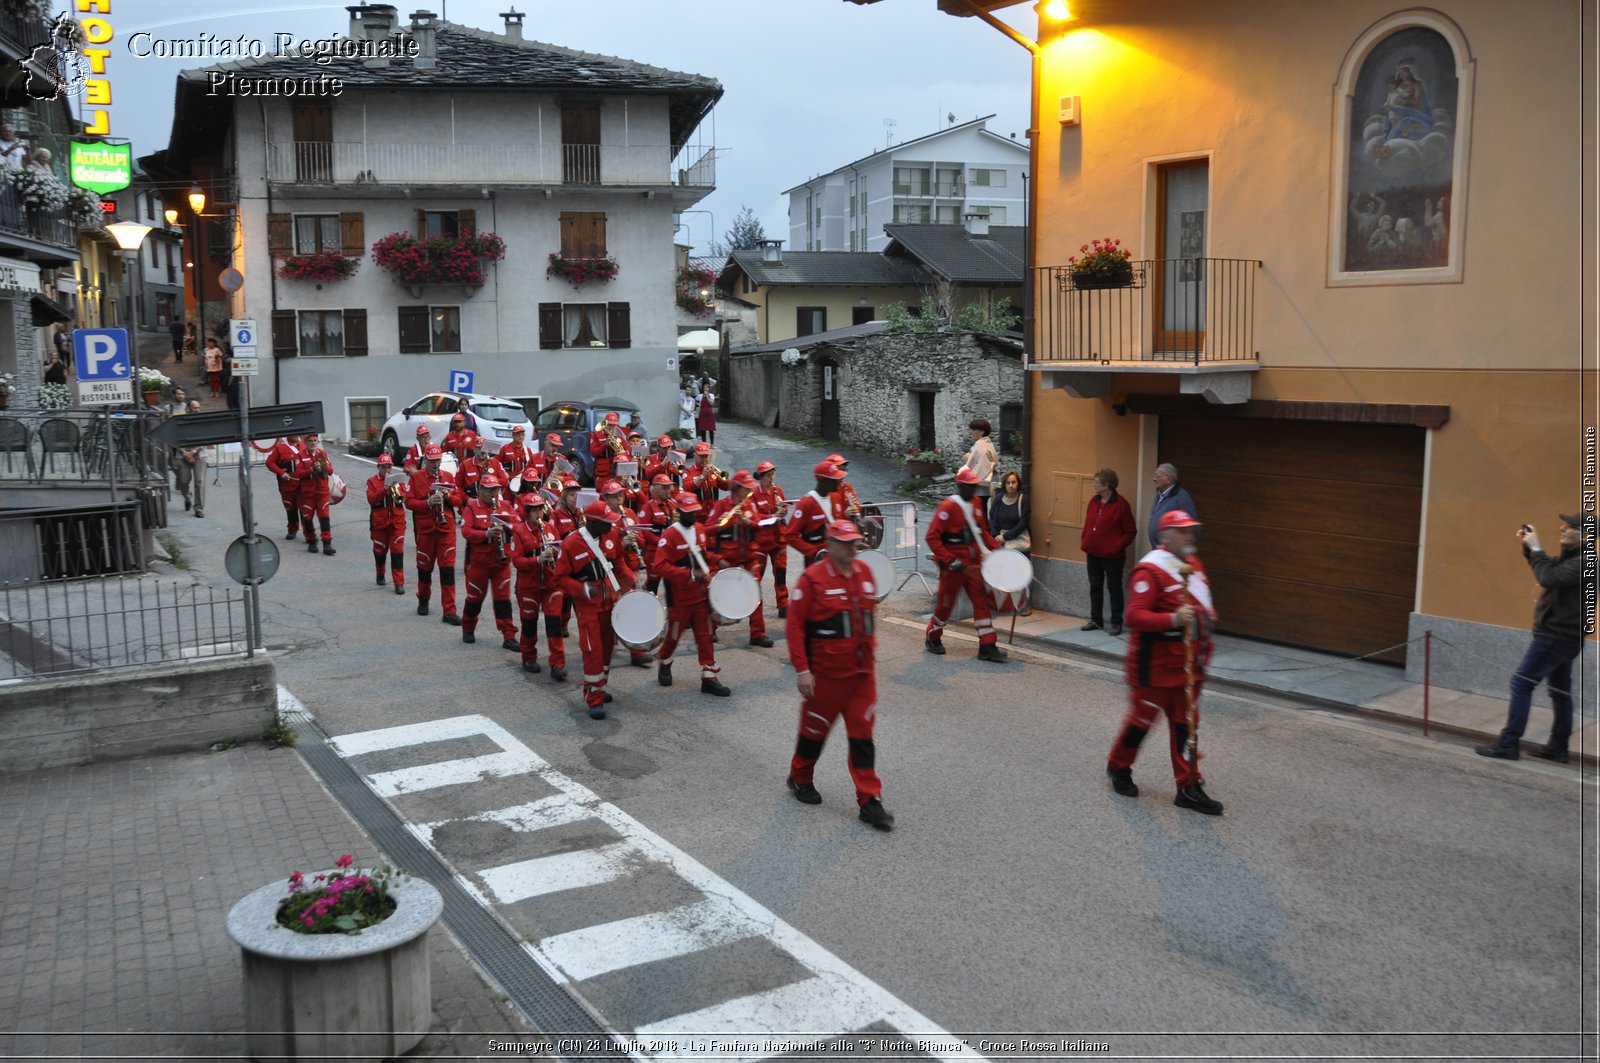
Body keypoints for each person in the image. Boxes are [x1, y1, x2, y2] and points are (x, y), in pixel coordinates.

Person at [1106, 509, 1224, 815]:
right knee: (1140, 724)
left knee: (1186, 728)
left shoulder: (1192, 565)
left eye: (1190, 530)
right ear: (1166, 534)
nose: (1189, 535)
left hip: (1187, 667)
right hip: (1154, 668)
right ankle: (1119, 766)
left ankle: (1188, 786)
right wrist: (1173, 618)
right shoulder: (1150, 571)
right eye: (1182, 531)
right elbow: (1134, 616)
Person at [785, 518, 893, 831]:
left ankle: (869, 800)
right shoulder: (812, 580)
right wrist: (803, 669)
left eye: (855, 542)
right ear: (830, 545)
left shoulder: (866, 573)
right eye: (845, 542)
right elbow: (794, 626)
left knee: (862, 738)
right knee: (813, 736)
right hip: (825, 679)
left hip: (861, 677)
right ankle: (800, 776)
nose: (853, 547)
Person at [1475, 514, 1592, 763]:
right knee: (1560, 691)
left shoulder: (1586, 562)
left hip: (1555, 638)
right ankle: (1558, 748)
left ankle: (1508, 744)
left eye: (1570, 526)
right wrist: (1529, 547)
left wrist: (1536, 546)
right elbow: (1547, 567)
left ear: (1584, 536)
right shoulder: (1573, 560)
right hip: (1564, 638)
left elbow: (1548, 578)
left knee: (1521, 683)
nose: (1562, 528)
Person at [552, 499, 642, 719]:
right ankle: (594, 699)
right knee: (593, 651)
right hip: (588, 608)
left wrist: (630, 580)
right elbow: (560, 579)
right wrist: (582, 589)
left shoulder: (611, 536)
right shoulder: (571, 544)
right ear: (592, 522)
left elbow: (618, 562)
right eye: (606, 522)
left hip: (610, 603)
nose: (612, 526)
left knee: (608, 648)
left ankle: (598, 687)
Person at [649, 492, 730, 697]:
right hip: (680, 598)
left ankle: (709, 677)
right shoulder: (669, 535)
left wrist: (717, 559)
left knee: (705, 635)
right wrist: (687, 574)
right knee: (674, 636)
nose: (694, 515)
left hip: (701, 595)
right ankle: (665, 661)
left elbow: (702, 554)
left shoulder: (700, 530)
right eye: (689, 512)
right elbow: (658, 566)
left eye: (695, 511)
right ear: (679, 512)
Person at [925, 467, 1007, 662]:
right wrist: (949, 560)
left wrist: (998, 551)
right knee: (945, 605)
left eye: (974, 486)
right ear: (959, 486)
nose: (973, 490)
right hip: (953, 566)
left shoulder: (978, 503)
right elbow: (932, 537)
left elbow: (982, 533)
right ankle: (933, 636)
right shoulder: (948, 507)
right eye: (969, 487)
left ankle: (987, 645)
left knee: (981, 602)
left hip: (973, 565)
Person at [708, 470, 776, 648]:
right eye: (746, 489)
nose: (749, 493)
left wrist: (747, 522)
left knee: (755, 593)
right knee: (720, 594)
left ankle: (758, 634)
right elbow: (705, 532)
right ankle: (710, 629)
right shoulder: (722, 505)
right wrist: (720, 524)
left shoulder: (749, 505)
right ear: (737, 489)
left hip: (748, 558)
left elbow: (757, 524)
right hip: (727, 559)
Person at [459, 469, 520, 650]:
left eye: (496, 490)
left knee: (503, 599)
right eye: (489, 490)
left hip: (501, 562)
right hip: (479, 563)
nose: (493, 493)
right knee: (475, 598)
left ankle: (509, 635)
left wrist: (507, 527)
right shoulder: (472, 507)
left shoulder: (506, 506)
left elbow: (518, 526)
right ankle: (468, 628)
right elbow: (466, 531)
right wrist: (486, 533)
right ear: (481, 490)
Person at [405, 444, 465, 623]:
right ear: (425, 461)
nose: (435, 464)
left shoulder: (447, 477)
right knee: (424, 569)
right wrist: (428, 502)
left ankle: (449, 610)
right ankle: (423, 600)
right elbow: (408, 502)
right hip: (426, 531)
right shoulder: (416, 478)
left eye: (438, 460)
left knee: (447, 571)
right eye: (431, 461)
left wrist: (447, 497)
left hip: (445, 531)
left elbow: (458, 500)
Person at [1080, 468, 1138, 636]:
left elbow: (1130, 531)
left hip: (1113, 556)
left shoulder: (1121, 504)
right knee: (1095, 587)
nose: (1093, 485)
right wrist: (1085, 539)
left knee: (1114, 588)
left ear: (1106, 485)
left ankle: (1116, 622)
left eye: (1096, 483)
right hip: (1093, 553)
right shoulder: (1094, 501)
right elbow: (1088, 523)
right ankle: (1096, 619)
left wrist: (1115, 547)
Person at [509, 489, 557, 674]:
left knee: (554, 623)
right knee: (529, 623)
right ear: (528, 512)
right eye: (535, 510)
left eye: (541, 509)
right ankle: (529, 658)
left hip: (550, 583)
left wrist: (555, 553)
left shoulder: (550, 528)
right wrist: (537, 559)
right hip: (529, 585)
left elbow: (560, 547)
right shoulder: (520, 531)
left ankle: (557, 662)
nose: (539, 513)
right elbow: (517, 560)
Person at [541, 477, 584, 682]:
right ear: (565, 496)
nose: (576, 498)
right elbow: (553, 540)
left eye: (578, 494)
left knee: (583, 609)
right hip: (565, 566)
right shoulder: (557, 515)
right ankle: (563, 629)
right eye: (572, 494)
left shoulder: (583, 514)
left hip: (582, 566)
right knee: (561, 607)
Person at [786, 461, 845, 566]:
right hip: (816, 563)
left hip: (838, 558)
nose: (839, 482)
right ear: (823, 481)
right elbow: (790, 535)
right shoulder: (806, 504)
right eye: (835, 479)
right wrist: (814, 552)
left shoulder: (836, 497)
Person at [365, 454, 408, 595]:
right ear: (378, 467)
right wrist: (384, 490)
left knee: (397, 553)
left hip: (397, 522)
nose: (387, 470)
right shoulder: (371, 481)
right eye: (384, 467)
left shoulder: (398, 480)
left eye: (389, 466)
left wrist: (397, 490)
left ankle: (399, 583)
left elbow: (404, 499)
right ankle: (380, 572)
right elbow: (371, 499)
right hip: (379, 523)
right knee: (379, 551)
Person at [753, 461, 790, 618]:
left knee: (781, 573)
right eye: (768, 475)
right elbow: (754, 517)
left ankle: (783, 605)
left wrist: (783, 509)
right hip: (762, 541)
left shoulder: (778, 490)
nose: (771, 477)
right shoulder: (754, 494)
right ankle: (753, 604)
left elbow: (785, 509)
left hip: (779, 538)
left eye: (772, 474)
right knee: (757, 575)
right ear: (761, 477)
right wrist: (772, 515)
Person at [292, 432, 336, 554]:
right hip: (307, 494)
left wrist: (323, 467)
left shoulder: (322, 454)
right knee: (308, 519)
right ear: (305, 442)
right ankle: (311, 542)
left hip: (322, 492)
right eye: (310, 440)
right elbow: (298, 474)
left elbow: (331, 471)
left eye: (315, 440)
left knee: (325, 518)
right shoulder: (299, 456)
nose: (313, 443)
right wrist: (311, 469)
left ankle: (327, 544)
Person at [1147, 463, 1197, 548]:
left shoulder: (1181, 497)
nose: (1154, 479)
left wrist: (1184, 551)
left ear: (1169, 479)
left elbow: (1193, 527)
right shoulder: (1160, 494)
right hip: (1158, 550)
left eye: (1158, 476)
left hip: (1173, 553)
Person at [266, 436, 305, 539]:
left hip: (304, 483)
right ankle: (292, 529)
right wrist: (281, 473)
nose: (296, 435)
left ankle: (308, 533)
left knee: (305, 509)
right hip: (287, 484)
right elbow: (269, 463)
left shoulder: (304, 445)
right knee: (290, 508)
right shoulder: (280, 448)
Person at [681, 441, 727, 518]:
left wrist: (723, 479)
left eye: (706, 456)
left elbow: (726, 487)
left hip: (713, 511)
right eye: (701, 456)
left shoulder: (712, 470)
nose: (704, 459)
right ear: (695, 456)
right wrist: (703, 476)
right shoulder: (688, 471)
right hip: (698, 513)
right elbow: (687, 488)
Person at [988, 471, 1031, 548]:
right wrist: (996, 535)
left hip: (1018, 539)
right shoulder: (998, 498)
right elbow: (992, 518)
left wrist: (1005, 537)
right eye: (1008, 483)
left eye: (1013, 482)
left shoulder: (1024, 500)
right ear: (1004, 485)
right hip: (999, 538)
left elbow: (1023, 524)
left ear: (1018, 484)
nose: (1011, 485)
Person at [961, 418, 998, 498]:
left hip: (977, 488)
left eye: (974, 429)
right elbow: (995, 465)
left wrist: (966, 458)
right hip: (987, 487)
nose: (972, 432)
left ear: (982, 432)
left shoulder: (979, 446)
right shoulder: (989, 445)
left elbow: (971, 466)